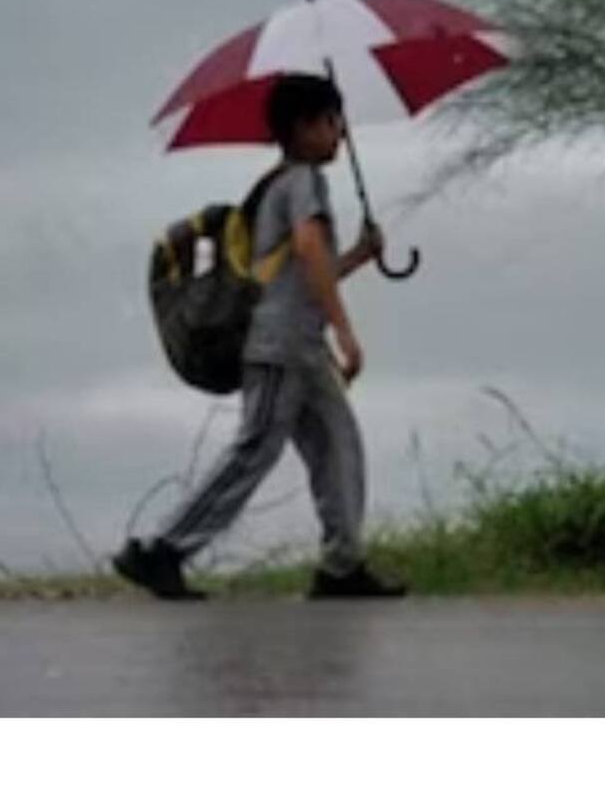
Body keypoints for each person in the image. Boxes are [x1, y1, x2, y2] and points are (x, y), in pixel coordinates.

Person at [114, 73, 406, 600]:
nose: (341, 132)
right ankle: (161, 550)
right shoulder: (304, 182)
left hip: (300, 345)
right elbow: (310, 249)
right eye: (332, 121)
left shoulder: (278, 186)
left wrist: (360, 256)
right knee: (254, 450)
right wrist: (346, 331)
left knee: (339, 445)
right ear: (302, 127)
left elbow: (303, 274)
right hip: (280, 345)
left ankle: (342, 566)